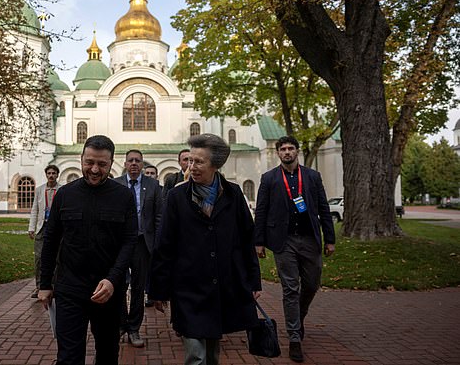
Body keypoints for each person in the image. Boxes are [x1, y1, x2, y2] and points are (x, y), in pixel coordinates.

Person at [150, 134, 262, 365]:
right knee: (196, 356)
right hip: (187, 288)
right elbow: (164, 244)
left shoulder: (233, 194)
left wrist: (253, 281)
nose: (191, 167)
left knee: (212, 355)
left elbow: (245, 239)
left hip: (221, 285)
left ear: (215, 165)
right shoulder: (177, 197)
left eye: (198, 162)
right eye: (190, 160)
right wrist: (159, 290)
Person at [38, 135, 138, 365]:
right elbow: (51, 240)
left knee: (107, 353)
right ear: (81, 158)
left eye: (102, 164)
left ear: (112, 163)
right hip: (70, 288)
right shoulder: (65, 194)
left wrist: (113, 280)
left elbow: (129, 241)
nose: (94, 169)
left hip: (108, 291)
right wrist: (44, 284)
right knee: (69, 357)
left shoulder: (123, 196)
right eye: (89, 162)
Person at [254, 135, 335, 363]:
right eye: (283, 149)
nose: (287, 152)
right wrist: (258, 242)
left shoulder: (312, 177)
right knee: (290, 288)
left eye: (291, 148)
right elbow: (261, 211)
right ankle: (294, 338)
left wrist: (330, 239)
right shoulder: (269, 179)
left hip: (309, 239)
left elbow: (323, 208)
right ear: (278, 153)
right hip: (283, 241)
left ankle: (298, 318)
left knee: (311, 284)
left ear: (297, 151)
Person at [115, 150, 163, 347]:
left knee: (137, 287)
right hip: (119, 244)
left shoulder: (153, 186)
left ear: (142, 164)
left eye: (138, 161)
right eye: (130, 161)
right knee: (118, 286)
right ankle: (120, 325)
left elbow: (159, 216)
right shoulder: (115, 184)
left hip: (142, 243)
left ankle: (134, 328)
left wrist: (158, 243)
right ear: (125, 164)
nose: (134, 164)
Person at [28, 164, 62, 299]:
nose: (51, 175)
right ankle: (39, 286)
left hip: (57, 228)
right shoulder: (39, 190)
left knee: (58, 257)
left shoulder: (62, 190)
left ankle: (54, 285)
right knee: (39, 258)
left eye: (54, 173)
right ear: (46, 175)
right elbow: (35, 210)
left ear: (57, 175)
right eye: (49, 173)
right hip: (42, 227)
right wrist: (31, 228)